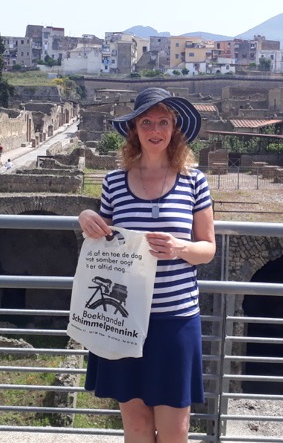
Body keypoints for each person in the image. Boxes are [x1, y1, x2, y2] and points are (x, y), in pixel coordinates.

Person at [78, 87, 215, 443]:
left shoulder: (194, 181)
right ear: (135, 130)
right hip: (124, 319)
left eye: (164, 122)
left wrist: (180, 247)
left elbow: (208, 249)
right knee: (136, 427)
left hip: (176, 319)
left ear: (175, 129)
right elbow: (103, 240)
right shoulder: (113, 183)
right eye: (147, 122)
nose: (156, 129)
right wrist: (87, 215)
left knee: (175, 431)